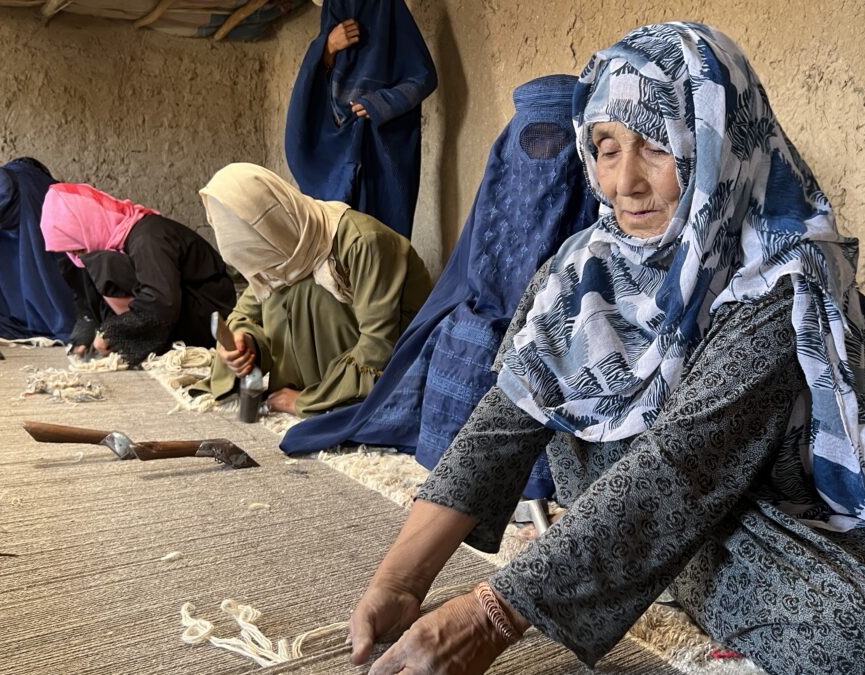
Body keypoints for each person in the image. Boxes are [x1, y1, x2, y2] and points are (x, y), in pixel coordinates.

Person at [345, 23, 865, 675]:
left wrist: (490, 616)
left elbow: (681, 463)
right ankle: (628, 559)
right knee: (604, 461)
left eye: (656, 144)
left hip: (763, 503)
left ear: (714, 145)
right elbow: (501, 424)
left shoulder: (780, 280)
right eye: (605, 146)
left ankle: (634, 562)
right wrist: (400, 579)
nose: (623, 181)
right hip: (635, 485)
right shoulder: (583, 268)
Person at [280, 73, 600, 500]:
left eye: (556, 144)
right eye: (530, 143)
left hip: (572, 316)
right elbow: (482, 266)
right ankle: (454, 464)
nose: (541, 158)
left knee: (534, 351)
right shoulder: (503, 184)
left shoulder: (601, 199)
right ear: (508, 149)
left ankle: (532, 480)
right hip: (493, 305)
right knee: (463, 332)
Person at [191, 163, 432, 416]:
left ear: (273, 223)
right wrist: (244, 343)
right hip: (335, 365)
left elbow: (378, 349)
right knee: (280, 288)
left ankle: (332, 393)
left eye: (263, 259)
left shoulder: (363, 243)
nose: (263, 271)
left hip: (398, 365)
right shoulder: (285, 253)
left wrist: (306, 402)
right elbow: (246, 314)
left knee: (304, 290)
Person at [284, 0, 437, 239]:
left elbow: (423, 77)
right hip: (338, 146)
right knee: (340, 238)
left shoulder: (388, 10)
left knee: (383, 240)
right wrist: (328, 48)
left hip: (383, 151)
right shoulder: (334, 11)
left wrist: (380, 103)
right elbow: (314, 93)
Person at [40, 183, 236, 366]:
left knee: (102, 264)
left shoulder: (147, 238)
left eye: (76, 247)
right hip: (181, 306)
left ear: (86, 224)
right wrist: (88, 329)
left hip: (210, 317)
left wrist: (114, 333)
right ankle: (131, 335)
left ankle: (144, 340)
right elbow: (84, 298)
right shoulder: (117, 239)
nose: (74, 255)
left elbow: (161, 303)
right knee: (88, 264)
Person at [0, 158, 75, 341]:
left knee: (18, 250)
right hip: (23, 200)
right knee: (34, 250)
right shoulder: (39, 188)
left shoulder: (24, 189)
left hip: (17, 201)